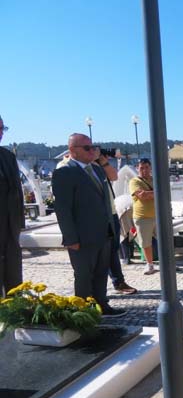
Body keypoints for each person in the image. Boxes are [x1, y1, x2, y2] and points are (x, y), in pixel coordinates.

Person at [52, 133, 126, 316]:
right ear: (72, 151)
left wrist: (111, 229)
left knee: (101, 273)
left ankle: (102, 304)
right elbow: (63, 209)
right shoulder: (64, 172)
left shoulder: (97, 170)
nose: (92, 151)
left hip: (103, 234)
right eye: (87, 148)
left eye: (93, 147)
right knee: (84, 276)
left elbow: (106, 202)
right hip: (82, 237)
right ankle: (83, 311)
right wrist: (70, 238)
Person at [93, 148, 137, 295]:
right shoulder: (87, 169)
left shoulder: (99, 167)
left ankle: (118, 281)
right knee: (101, 253)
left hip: (111, 213)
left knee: (113, 249)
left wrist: (104, 163)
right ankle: (99, 290)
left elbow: (114, 177)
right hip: (99, 215)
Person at [0, 116, 24, 296]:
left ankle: (14, 307)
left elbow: (17, 190)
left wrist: (19, 223)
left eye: (2, 128)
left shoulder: (8, 156)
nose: (0, 132)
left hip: (10, 226)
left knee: (13, 269)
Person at [129, 159, 158, 275]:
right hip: (142, 216)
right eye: (142, 168)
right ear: (137, 168)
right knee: (145, 242)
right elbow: (142, 196)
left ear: (150, 168)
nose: (144, 170)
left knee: (165, 240)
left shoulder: (155, 179)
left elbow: (165, 192)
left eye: (146, 167)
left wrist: (148, 193)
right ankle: (149, 264)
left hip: (158, 216)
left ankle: (167, 262)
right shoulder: (134, 181)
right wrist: (156, 193)